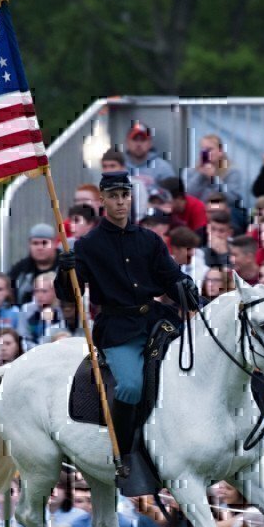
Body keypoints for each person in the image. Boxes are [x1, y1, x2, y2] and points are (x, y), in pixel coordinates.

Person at [55, 171, 198, 468]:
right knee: (131, 385)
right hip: (118, 329)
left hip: (157, 321)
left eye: (125, 195)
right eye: (114, 196)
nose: (120, 202)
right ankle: (123, 453)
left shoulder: (149, 240)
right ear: (102, 200)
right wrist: (64, 270)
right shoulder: (87, 245)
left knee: (192, 366)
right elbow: (71, 294)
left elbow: (169, 277)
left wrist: (186, 287)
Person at [186, 133, 246, 208]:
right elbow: (188, 195)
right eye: (202, 149)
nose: (205, 153)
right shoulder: (192, 171)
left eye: (209, 149)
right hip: (198, 212)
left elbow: (232, 198)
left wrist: (214, 180)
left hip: (221, 213)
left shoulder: (232, 171)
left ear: (220, 151)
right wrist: (200, 175)